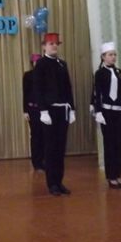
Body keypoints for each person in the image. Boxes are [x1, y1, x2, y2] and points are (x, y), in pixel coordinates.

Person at [32, 32, 76, 196]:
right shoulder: (41, 64)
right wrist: (43, 110)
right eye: (51, 44)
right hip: (49, 111)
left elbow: (68, 87)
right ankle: (52, 184)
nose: (54, 46)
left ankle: (59, 181)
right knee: (50, 148)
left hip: (62, 110)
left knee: (60, 148)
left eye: (56, 44)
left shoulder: (62, 64)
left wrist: (72, 108)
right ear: (44, 46)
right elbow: (38, 89)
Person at [92, 42, 121, 189]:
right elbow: (97, 92)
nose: (113, 57)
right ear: (103, 57)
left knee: (118, 143)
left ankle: (118, 174)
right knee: (109, 144)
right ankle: (111, 176)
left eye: (114, 54)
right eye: (110, 55)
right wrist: (98, 111)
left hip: (118, 111)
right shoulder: (100, 73)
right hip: (106, 111)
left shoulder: (119, 72)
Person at [23, 53, 44, 172]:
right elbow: (25, 93)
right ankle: (36, 162)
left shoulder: (45, 75)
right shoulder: (28, 75)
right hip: (32, 109)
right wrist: (25, 110)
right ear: (33, 63)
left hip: (44, 109)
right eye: (36, 61)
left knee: (45, 135)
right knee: (35, 135)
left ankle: (44, 160)